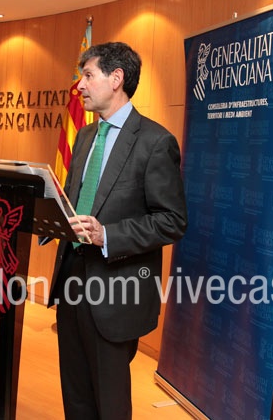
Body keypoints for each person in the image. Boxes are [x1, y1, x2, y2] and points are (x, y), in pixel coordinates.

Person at [47, 42, 188, 419]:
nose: (79, 85)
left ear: (116, 78)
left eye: (87, 75)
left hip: (116, 290)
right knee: (75, 393)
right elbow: (75, 200)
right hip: (71, 278)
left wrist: (106, 235)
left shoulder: (155, 142)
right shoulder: (84, 137)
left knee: (109, 402)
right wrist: (50, 218)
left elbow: (172, 221)